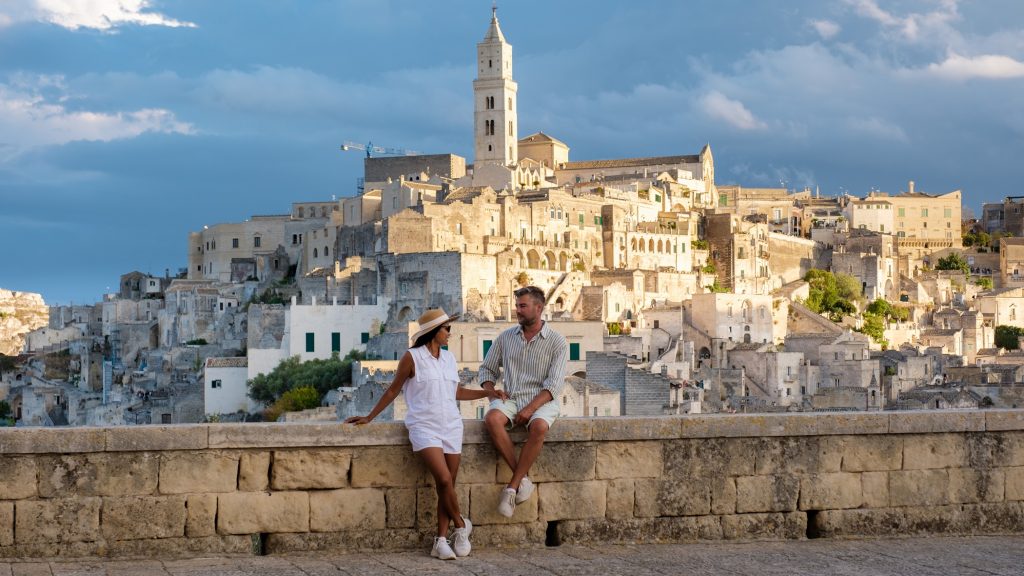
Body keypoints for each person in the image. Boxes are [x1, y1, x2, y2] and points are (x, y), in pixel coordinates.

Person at [345, 308, 506, 560]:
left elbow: (456, 392)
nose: (450, 333)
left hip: (451, 425)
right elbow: (392, 391)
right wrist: (369, 416)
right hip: (423, 426)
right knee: (442, 480)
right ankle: (462, 526)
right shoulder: (412, 357)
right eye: (446, 329)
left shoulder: (449, 359)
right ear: (434, 331)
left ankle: (441, 540)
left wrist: (488, 393)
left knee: (449, 485)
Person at [479, 285, 568, 518]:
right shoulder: (505, 337)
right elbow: (487, 369)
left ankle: (512, 487)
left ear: (538, 308)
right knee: (492, 418)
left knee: (539, 427)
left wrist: (531, 408)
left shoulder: (557, 342)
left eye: (522, 306)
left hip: (542, 401)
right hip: (512, 397)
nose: (517, 310)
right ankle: (523, 480)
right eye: (517, 305)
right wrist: (492, 393)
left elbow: (554, 385)